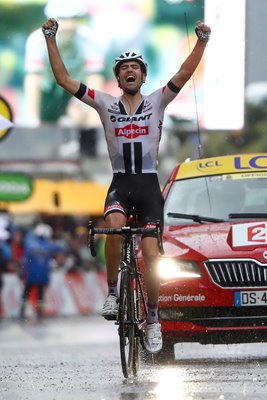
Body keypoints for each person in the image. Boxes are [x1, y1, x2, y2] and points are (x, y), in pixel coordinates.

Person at [41, 17, 211, 352]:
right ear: (118, 78)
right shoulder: (104, 103)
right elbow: (63, 79)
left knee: (150, 252)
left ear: (143, 76)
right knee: (112, 226)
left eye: (135, 67)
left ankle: (153, 318)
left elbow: (183, 74)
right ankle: (112, 293)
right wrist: (50, 37)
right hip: (121, 182)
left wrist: (202, 42)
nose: (130, 71)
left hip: (148, 186)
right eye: (124, 68)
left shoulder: (158, 101)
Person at [24, 0, 104, 157]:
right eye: (62, 19)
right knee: (43, 136)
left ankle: (83, 157)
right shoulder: (37, 41)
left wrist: (93, 123)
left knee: (80, 115)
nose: (68, 25)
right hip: (48, 90)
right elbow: (33, 81)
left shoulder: (90, 40)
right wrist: (33, 121)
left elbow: (95, 81)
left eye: (73, 18)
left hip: (74, 89)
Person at [19, 223, 64, 319]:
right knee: (40, 294)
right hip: (43, 275)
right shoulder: (49, 245)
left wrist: (22, 270)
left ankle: (22, 311)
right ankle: (39, 312)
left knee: (26, 292)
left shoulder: (29, 243)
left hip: (30, 274)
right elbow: (61, 249)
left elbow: (24, 259)